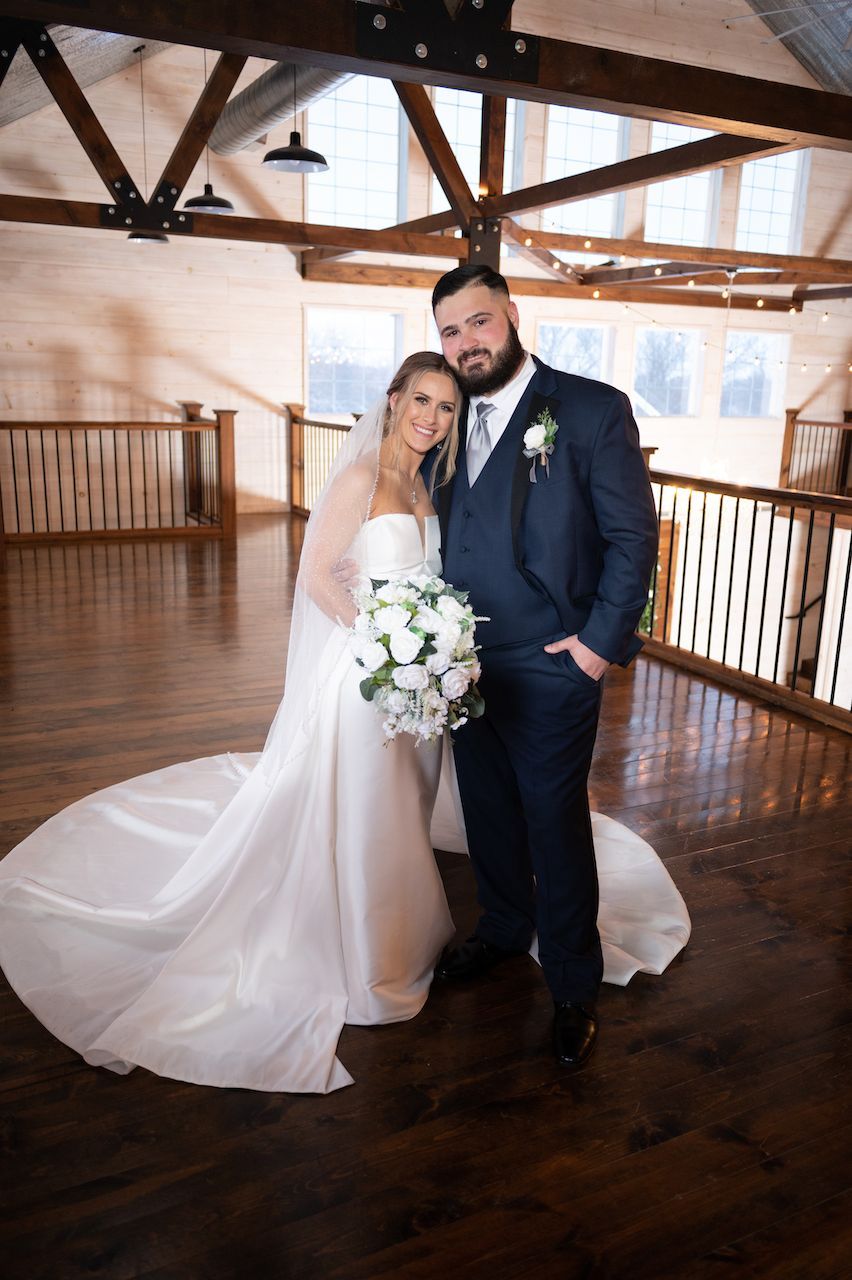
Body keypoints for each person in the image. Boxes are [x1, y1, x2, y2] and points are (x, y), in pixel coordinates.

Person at [0, 351, 464, 1094]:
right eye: (422, 400)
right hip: (368, 675)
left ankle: (400, 929)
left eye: (445, 408)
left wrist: (434, 644)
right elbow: (315, 577)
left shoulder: (422, 480)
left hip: (419, 679)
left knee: (404, 807)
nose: (431, 419)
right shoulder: (358, 479)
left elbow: (417, 574)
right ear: (394, 398)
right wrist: (381, 644)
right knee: (366, 812)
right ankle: (359, 948)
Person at [429, 264, 668, 1068]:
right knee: (486, 810)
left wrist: (599, 647)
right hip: (460, 661)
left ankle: (572, 983)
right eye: (450, 332)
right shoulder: (446, 415)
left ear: (512, 317)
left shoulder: (591, 410)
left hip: (552, 662)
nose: (464, 343)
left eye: (476, 323)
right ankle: (502, 928)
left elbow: (635, 540)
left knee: (553, 823)